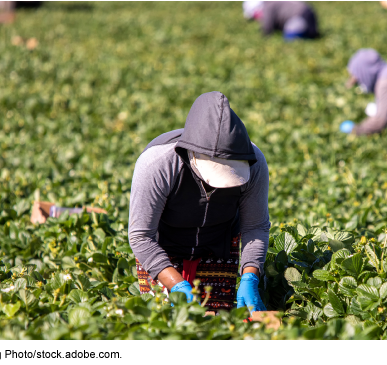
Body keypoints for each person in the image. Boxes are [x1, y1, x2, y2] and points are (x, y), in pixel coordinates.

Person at [128, 91, 270, 313]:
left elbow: (255, 226)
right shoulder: (157, 165)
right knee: (164, 322)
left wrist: (250, 277)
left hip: (219, 243)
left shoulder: (254, 163)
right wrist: (176, 285)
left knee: (218, 324)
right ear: (192, 155)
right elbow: (141, 236)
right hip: (161, 246)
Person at [243, 1, 320, 41]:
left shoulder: (267, 7)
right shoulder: (273, 3)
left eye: (254, 16)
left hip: (299, 18)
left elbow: (267, 29)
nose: (256, 19)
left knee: (290, 43)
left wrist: (263, 40)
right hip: (308, 13)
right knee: (311, 37)